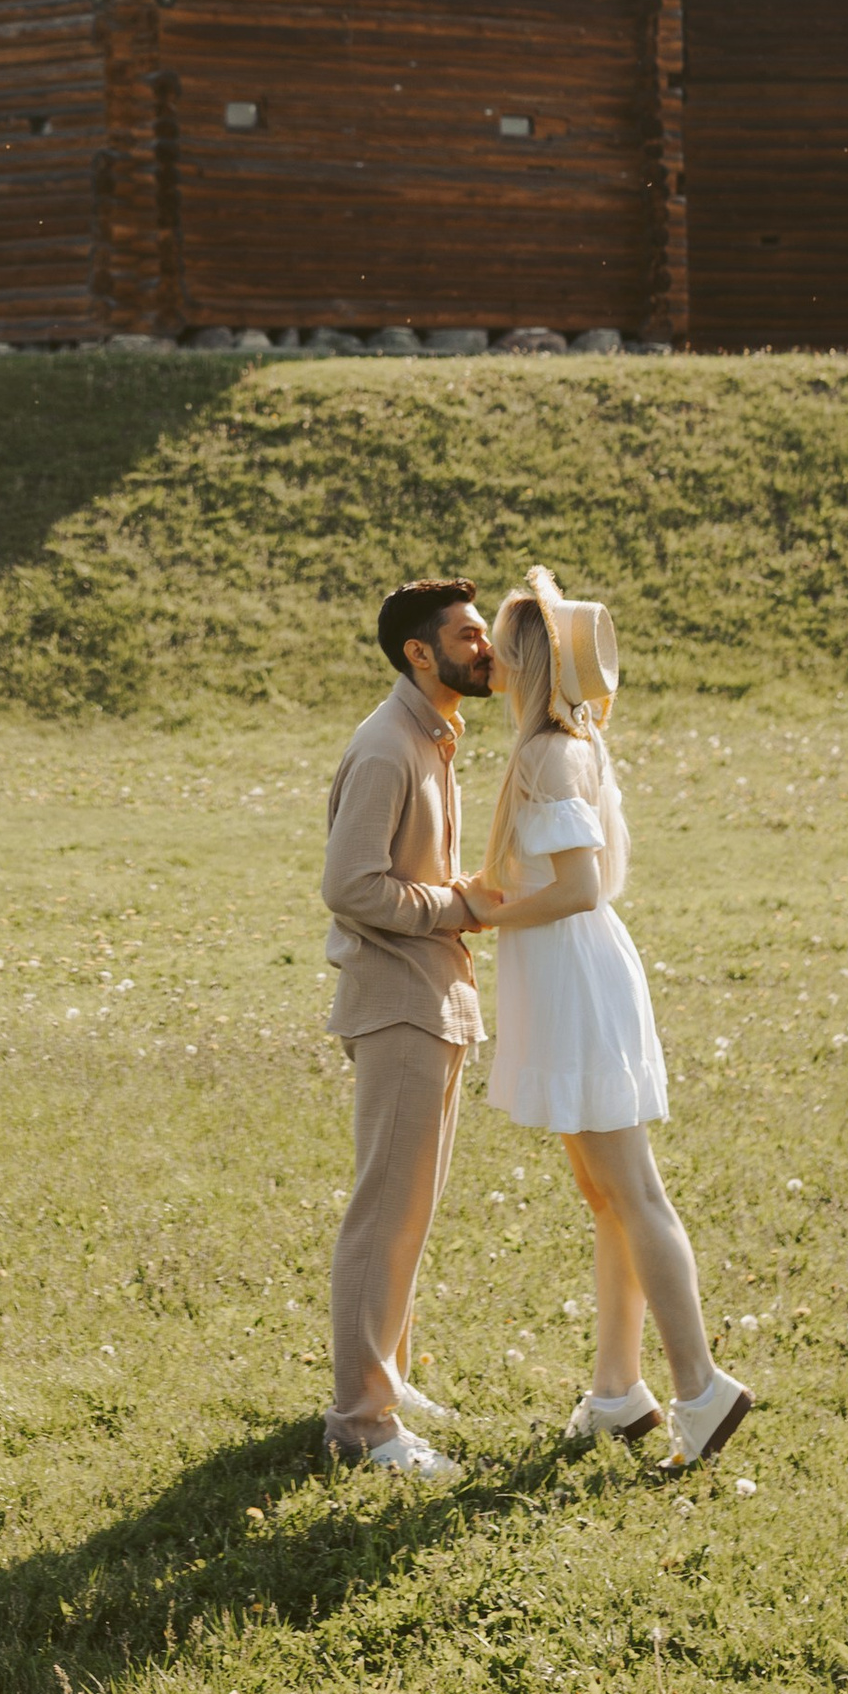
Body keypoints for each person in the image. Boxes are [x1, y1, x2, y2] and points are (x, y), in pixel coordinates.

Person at [466, 569, 751, 1475]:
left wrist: (478, 915)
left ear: (530, 659)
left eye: (503, 645)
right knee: (607, 1198)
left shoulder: (550, 754)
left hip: (576, 980)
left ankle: (701, 1389)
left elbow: (579, 887)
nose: (491, 658)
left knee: (634, 1194)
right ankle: (618, 1391)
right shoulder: (569, 742)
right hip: (569, 977)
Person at [318, 577, 495, 1478]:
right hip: (397, 1001)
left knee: (411, 1209)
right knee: (384, 1213)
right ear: (419, 653)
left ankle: (384, 1376)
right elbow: (350, 885)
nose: (486, 648)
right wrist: (459, 905)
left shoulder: (433, 737)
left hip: (432, 996)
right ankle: (362, 1423)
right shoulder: (389, 746)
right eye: (468, 636)